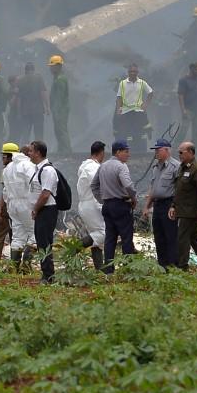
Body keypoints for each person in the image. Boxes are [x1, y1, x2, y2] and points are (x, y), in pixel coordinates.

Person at [91, 139, 137, 273]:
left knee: (110, 238)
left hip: (107, 206)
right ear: (118, 152)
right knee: (126, 237)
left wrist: (102, 199)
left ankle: (108, 269)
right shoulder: (121, 166)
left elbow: (94, 185)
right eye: (126, 152)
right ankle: (128, 268)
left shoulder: (103, 166)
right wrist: (133, 197)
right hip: (121, 205)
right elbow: (128, 185)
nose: (128, 155)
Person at [25, 140, 60, 283]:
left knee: (44, 243)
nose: (29, 154)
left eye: (31, 151)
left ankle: (48, 276)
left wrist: (36, 208)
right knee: (41, 242)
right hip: (42, 210)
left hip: (47, 210)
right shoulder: (38, 169)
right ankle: (47, 274)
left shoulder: (47, 170)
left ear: (38, 153)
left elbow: (46, 194)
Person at [144, 137, 179, 269]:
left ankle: (173, 265)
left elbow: (179, 189)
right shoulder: (156, 167)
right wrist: (147, 206)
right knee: (159, 235)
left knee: (171, 235)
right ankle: (162, 265)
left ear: (167, 150)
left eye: (158, 150)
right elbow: (153, 189)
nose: (156, 153)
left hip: (169, 204)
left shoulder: (175, 167)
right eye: (155, 150)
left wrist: (174, 206)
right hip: (157, 205)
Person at [170, 141, 197, 269]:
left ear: (190, 152)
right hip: (182, 210)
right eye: (178, 152)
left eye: (181, 152)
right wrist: (173, 205)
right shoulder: (182, 167)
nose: (179, 154)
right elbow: (179, 190)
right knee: (195, 241)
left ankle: (182, 268)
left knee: (182, 239)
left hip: (190, 212)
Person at [1, 141, 36, 271]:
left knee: (17, 236)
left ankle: (13, 266)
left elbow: (5, 191)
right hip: (26, 204)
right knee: (34, 234)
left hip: (13, 205)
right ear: (28, 154)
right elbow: (34, 185)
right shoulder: (28, 165)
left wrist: (9, 205)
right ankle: (26, 266)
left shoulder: (7, 169)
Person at [76, 141, 107, 269]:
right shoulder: (93, 168)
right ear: (101, 153)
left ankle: (99, 268)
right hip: (91, 204)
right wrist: (102, 206)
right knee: (102, 233)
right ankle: (75, 248)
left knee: (96, 236)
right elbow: (97, 187)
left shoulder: (85, 166)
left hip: (86, 204)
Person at [114, 64, 153, 152]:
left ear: (137, 72)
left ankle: (140, 150)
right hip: (126, 112)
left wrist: (146, 104)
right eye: (131, 71)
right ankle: (128, 151)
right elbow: (119, 97)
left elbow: (150, 92)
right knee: (126, 133)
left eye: (134, 71)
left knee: (139, 132)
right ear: (128, 72)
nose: (133, 73)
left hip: (138, 112)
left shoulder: (142, 83)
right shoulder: (123, 83)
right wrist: (118, 109)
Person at [11, 63, 47, 146]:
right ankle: (40, 150)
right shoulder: (39, 78)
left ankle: (25, 151)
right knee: (38, 132)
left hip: (25, 111)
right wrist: (47, 107)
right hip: (38, 110)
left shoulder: (20, 80)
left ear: (25, 70)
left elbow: (18, 97)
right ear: (33, 70)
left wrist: (19, 112)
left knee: (26, 132)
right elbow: (43, 93)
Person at [179, 64, 197, 154]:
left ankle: (195, 151)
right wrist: (183, 110)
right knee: (184, 129)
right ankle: (175, 148)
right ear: (191, 69)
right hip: (188, 109)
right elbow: (181, 95)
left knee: (196, 131)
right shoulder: (184, 80)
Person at [47, 55, 71, 155]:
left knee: (61, 129)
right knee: (58, 129)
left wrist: (56, 111)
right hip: (59, 109)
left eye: (52, 66)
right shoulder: (58, 78)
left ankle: (66, 150)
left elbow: (59, 98)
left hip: (61, 109)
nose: (50, 68)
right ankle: (62, 149)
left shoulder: (60, 79)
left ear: (58, 66)